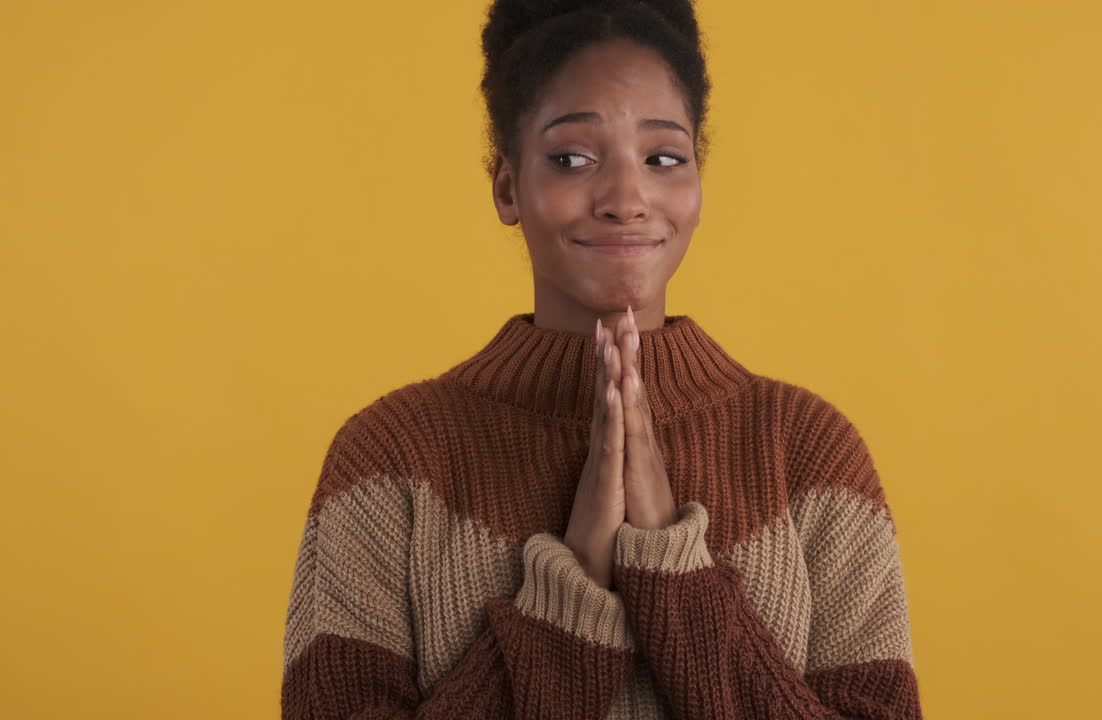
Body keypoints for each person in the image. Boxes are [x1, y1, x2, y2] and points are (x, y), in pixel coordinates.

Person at [280, 1, 923, 718]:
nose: (626, 198)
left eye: (663, 159)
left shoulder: (807, 450)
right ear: (507, 187)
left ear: (698, 183)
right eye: (572, 159)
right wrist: (572, 589)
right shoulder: (388, 457)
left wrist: (673, 569)